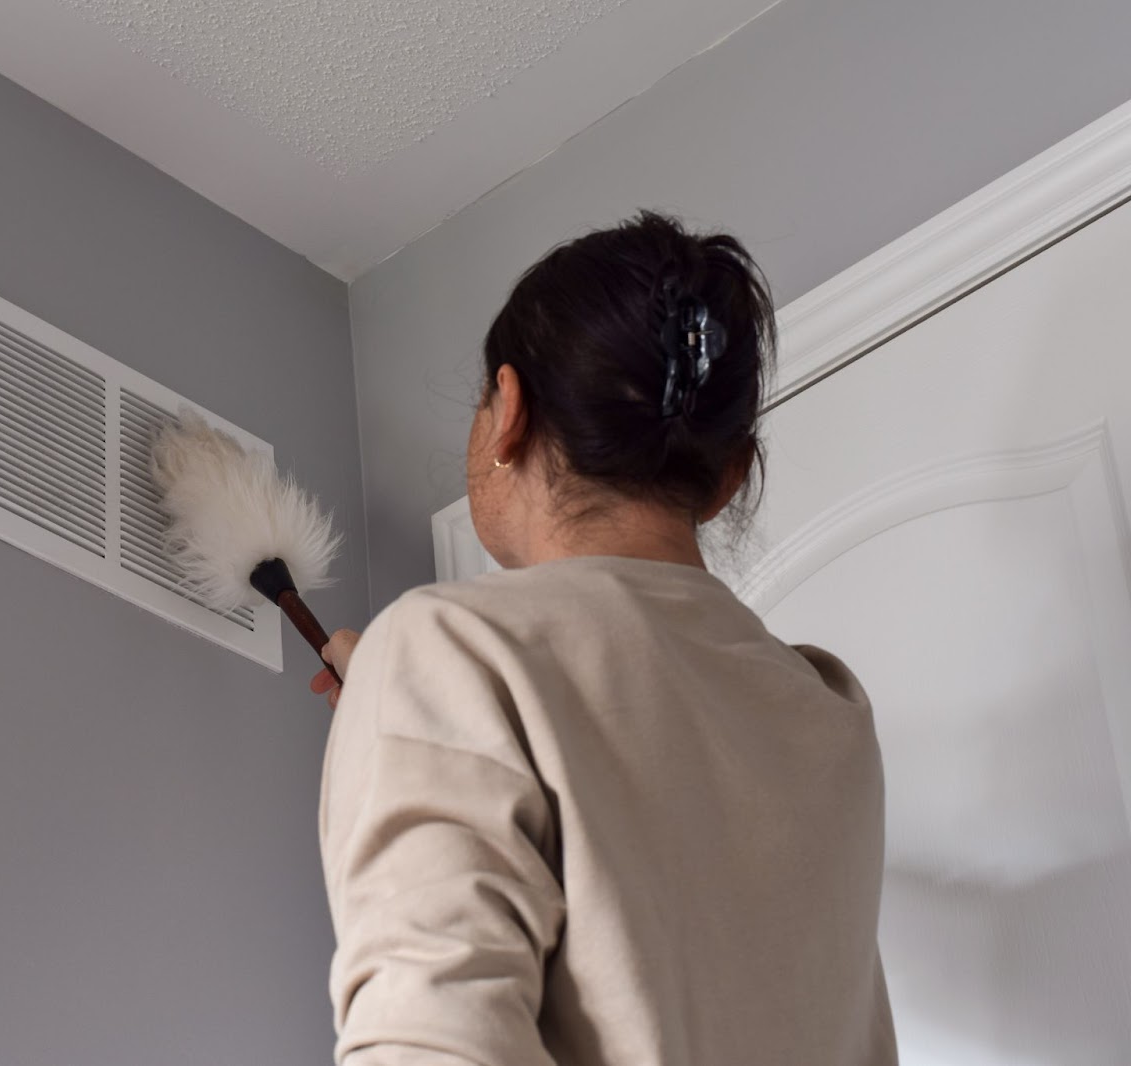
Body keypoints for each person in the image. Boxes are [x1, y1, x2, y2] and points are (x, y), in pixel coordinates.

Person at [308, 211, 897, 1065]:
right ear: (730, 475)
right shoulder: (824, 708)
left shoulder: (451, 654)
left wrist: (417, 685)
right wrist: (417, 698)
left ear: (507, 411)